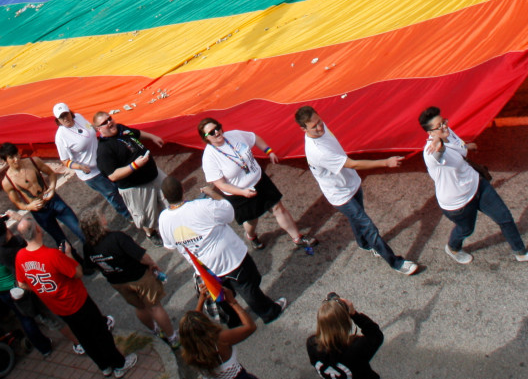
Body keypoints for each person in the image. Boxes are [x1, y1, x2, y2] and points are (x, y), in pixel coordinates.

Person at [294, 106, 420, 276]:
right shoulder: (318, 151)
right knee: (368, 225)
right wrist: (386, 162)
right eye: (314, 126)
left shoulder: (322, 130)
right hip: (341, 195)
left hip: (351, 183)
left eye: (319, 121)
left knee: (358, 218)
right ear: (304, 129)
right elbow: (352, 164)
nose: (320, 127)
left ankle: (365, 244)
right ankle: (396, 263)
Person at [419, 107, 528, 262]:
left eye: (443, 122)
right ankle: (453, 248)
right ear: (430, 133)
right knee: (466, 230)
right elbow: (440, 152)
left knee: (505, 217)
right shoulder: (431, 152)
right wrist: (439, 142)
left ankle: (521, 253)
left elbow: (458, 147)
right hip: (458, 203)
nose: (444, 126)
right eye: (438, 127)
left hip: (477, 185)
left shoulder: (448, 132)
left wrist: (467, 146)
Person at [14, 218, 136, 378]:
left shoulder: (20, 256)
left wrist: (39, 289)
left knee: (83, 337)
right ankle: (119, 364)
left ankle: (104, 366)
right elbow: (77, 272)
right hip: (77, 302)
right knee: (100, 332)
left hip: (59, 308)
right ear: (38, 230)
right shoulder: (52, 255)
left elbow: (22, 284)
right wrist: (69, 255)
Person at [159, 173, 285, 324]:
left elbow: (169, 246)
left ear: (165, 197)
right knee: (248, 287)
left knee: (222, 296)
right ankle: (268, 312)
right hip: (231, 258)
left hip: (205, 267)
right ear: (182, 189)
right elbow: (229, 212)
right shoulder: (202, 206)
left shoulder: (163, 219)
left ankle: (235, 323)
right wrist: (213, 193)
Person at [198, 117, 315, 251]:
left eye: (217, 128)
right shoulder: (209, 158)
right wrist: (243, 192)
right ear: (206, 138)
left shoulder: (234, 135)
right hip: (239, 193)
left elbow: (254, 138)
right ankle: (251, 236)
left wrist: (268, 151)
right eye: (211, 132)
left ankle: (297, 238)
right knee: (252, 220)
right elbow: (221, 185)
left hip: (259, 180)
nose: (217, 132)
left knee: (278, 208)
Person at [79, 211, 175, 345]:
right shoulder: (117, 238)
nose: (104, 217)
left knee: (140, 308)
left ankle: (155, 331)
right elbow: (142, 257)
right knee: (155, 307)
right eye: (102, 217)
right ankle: (172, 337)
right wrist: (152, 265)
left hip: (117, 282)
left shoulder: (88, 247)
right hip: (139, 278)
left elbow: (91, 266)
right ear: (100, 224)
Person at [0, 142, 88, 261]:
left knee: (79, 229)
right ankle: (79, 263)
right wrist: (29, 206)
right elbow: (17, 202)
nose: (16, 159)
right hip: (40, 211)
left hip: (53, 201)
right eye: (11, 158)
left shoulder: (33, 161)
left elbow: (51, 173)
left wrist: (52, 187)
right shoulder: (7, 181)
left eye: (16, 155)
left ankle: (93, 256)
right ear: (5, 161)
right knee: (61, 240)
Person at [94, 111, 167, 242]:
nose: (109, 122)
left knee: (170, 196)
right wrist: (134, 166)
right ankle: (151, 234)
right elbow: (113, 175)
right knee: (147, 217)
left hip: (154, 174)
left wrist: (152, 137)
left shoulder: (121, 129)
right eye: (104, 123)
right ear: (98, 129)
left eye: (109, 119)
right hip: (136, 187)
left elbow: (136, 133)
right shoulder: (104, 150)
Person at [52, 101, 131, 221]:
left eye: (66, 114)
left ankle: (133, 205)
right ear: (58, 120)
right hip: (92, 173)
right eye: (61, 117)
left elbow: (90, 129)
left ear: (70, 113)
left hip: (103, 161)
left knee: (120, 183)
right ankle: (128, 215)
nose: (65, 119)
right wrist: (79, 167)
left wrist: (103, 127)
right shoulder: (61, 137)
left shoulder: (78, 117)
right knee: (111, 193)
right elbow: (65, 160)